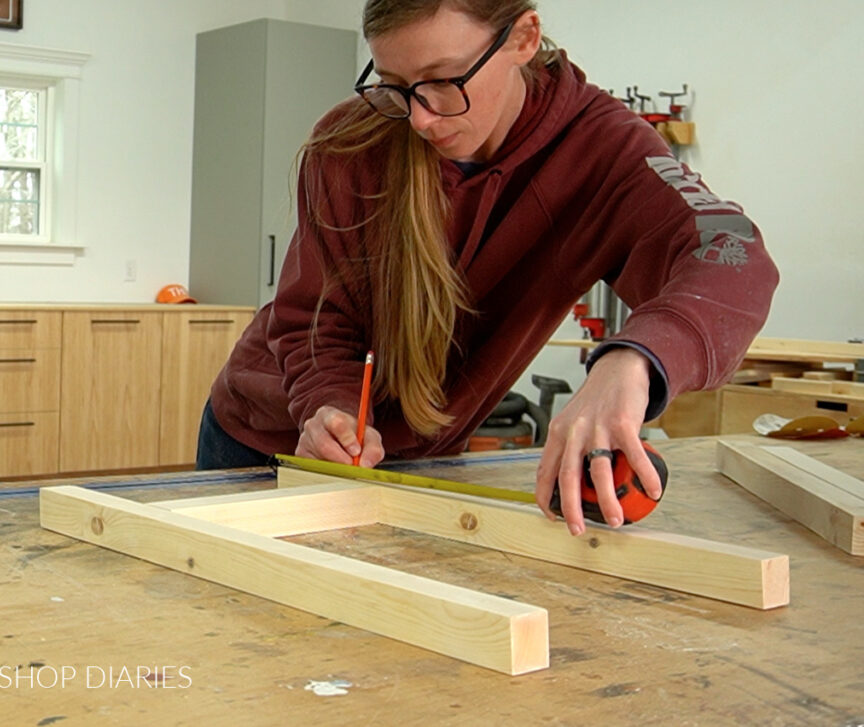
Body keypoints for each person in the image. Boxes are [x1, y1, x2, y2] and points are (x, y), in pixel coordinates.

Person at [197, 0, 779, 537]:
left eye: (445, 81)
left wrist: (635, 360)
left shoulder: (604, 152)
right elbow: (313, 318)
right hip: (262, 441)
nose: (419, 118)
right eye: (396, 86)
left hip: (422, 461)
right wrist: (329, 405)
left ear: (523, 37)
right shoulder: (352, 143)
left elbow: (732, 251)